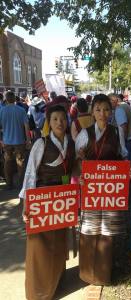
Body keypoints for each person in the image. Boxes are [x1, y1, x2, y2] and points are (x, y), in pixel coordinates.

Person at [20, 105, 76, 300]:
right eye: (55, 119)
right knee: (40, 249)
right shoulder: (40, 144)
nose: (59, 122)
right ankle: (38, 293)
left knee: (59, 244)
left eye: (63, 118)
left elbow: (75, 172)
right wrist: (27, 205)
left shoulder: (72, 143)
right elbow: (30, 175)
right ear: (48, 123)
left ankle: (56, 284)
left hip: (62, 202)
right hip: (41, 203)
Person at [75, 94, 127, 286]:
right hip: (91, 190)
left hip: (111, 190)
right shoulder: (84, 133)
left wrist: (126, 168)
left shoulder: (117, 132)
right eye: (98, 109)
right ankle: (88, 273)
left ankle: (104, 274)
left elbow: (123, 155)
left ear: (111, 111)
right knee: (90, 229)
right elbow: (77, 160)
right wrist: (81, 168)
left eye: (106, 109)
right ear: (92, 111)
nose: (102, 113)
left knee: (107, 232)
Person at [0, 91, 31, 189]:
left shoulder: (2, 111)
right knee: (20, 163)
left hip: (7, 141)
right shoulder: (21, 110)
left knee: (8, 162)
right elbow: (26, 126)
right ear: (14, 99)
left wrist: (1, 140)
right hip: (19, 141)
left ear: (6, 99)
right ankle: (21, 184)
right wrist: (28, 140)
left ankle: (9, 184)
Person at [108, 93, 131, 160]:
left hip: (128, 141)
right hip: (130, 139)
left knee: (128, 166)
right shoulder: (124, 105)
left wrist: (122, 146)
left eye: (109, 102)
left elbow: (123, 128)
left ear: (114, 101)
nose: (108, 105)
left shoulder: (119, 109)